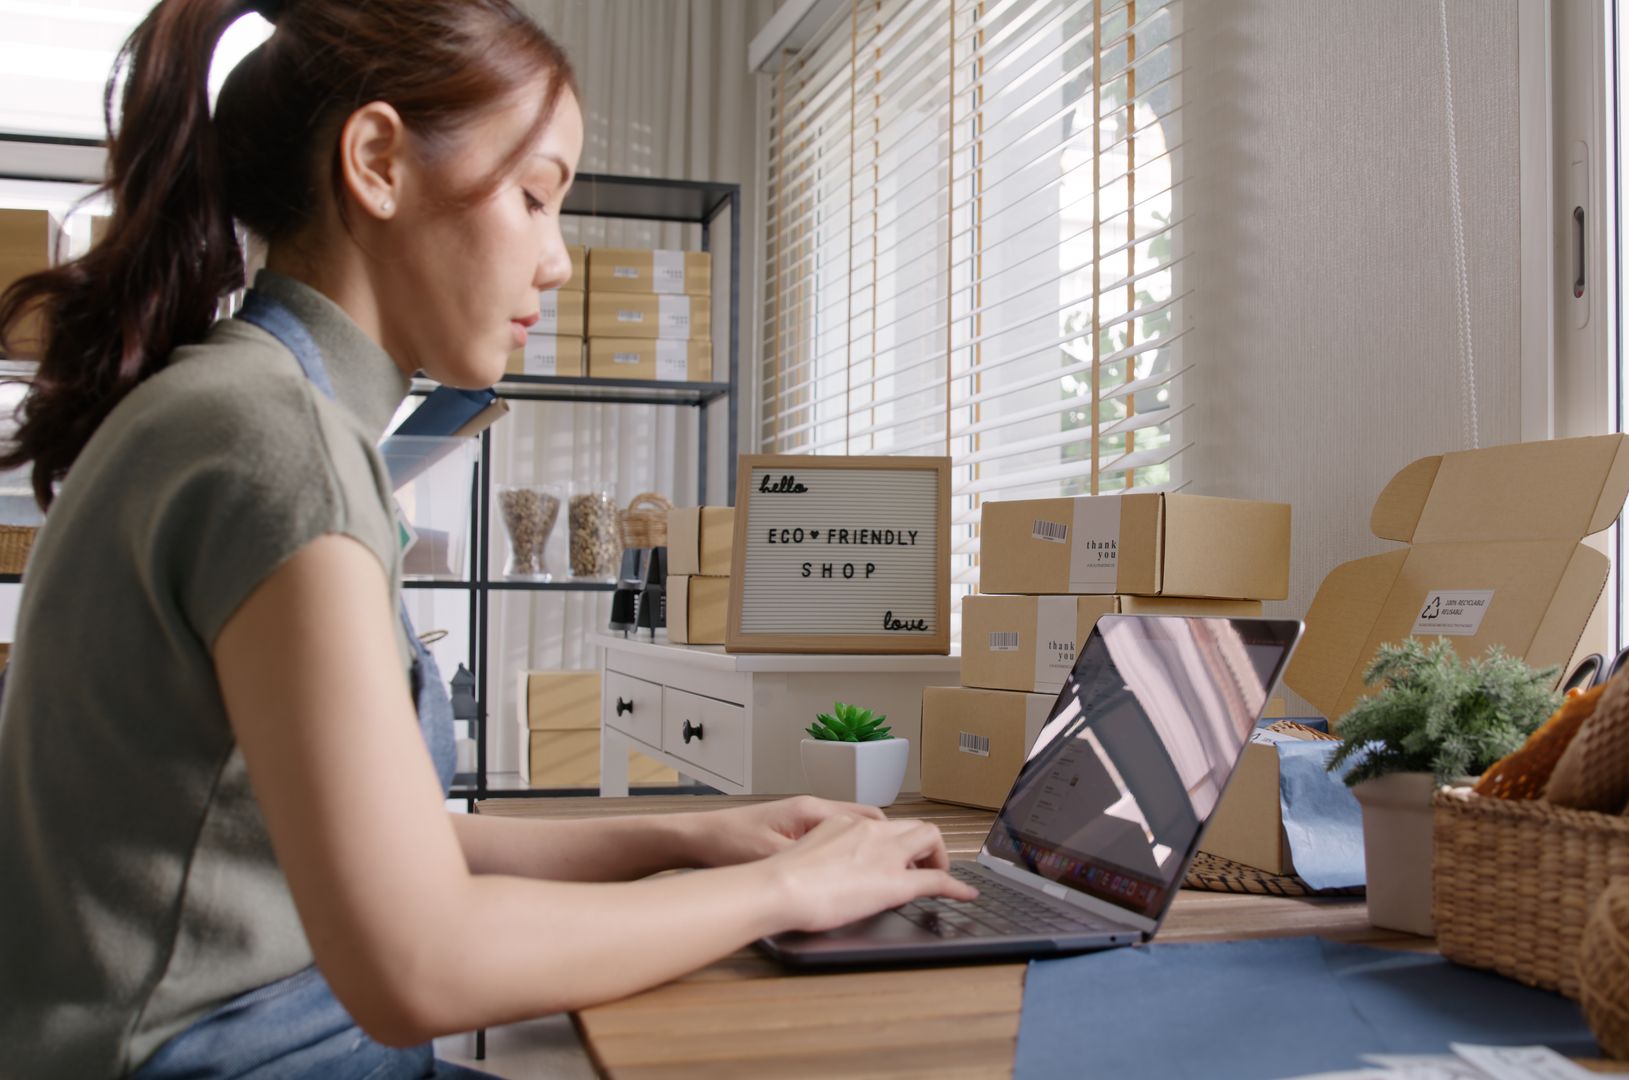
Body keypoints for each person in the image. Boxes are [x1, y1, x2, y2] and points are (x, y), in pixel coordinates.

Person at [0, 1, 976, 1076]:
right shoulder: (279, 447)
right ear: (376, 162)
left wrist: (689, 838)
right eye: (533, 196)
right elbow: (419, 962)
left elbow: (383, 853)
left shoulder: (233, 408)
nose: (557, 262)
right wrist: (792, 890)